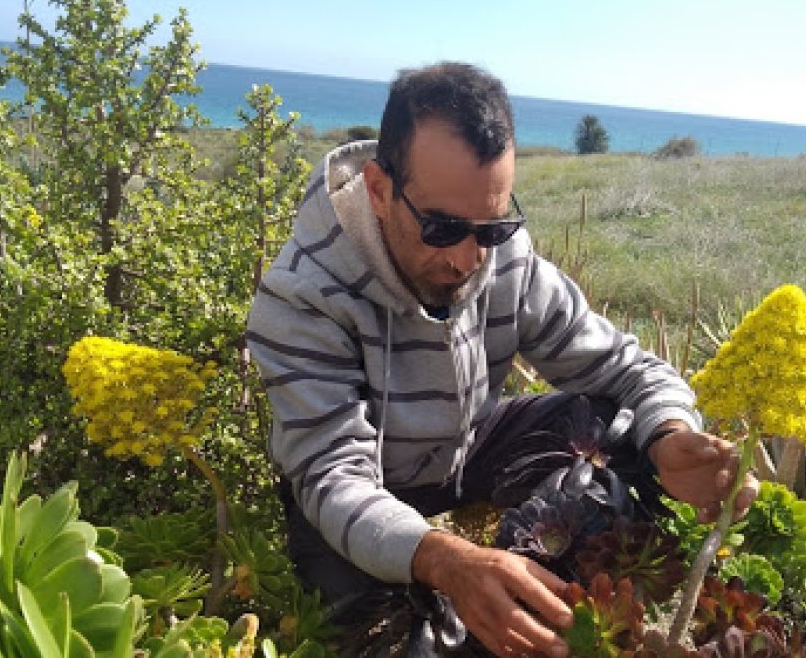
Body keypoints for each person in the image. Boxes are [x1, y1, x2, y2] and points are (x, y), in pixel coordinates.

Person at [245, 61, 758, 657]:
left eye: (490, 228)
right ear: (381, 191)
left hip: (468, 443)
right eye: (441, 228)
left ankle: (532, 575)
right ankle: (478, 596)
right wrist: (447, 561)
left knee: (614, 423)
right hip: (360, 486)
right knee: (375, 636)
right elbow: (333, 478)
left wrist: (671, 434)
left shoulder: (503, 255)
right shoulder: (304, 295)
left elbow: (625, 367)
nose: (468, 260)